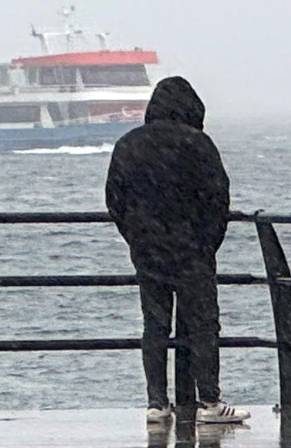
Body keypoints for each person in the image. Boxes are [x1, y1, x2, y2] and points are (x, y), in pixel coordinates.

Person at [105, 76, 249, 425]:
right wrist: (206, 243)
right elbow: (218, 199)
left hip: (148, 251)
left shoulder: (129, 144)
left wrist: (137, 236)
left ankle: (156, 402)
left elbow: (114, 199)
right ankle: (209, 402)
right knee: (203, 326)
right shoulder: (198, 144)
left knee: (155, 326)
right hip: (192, 252)